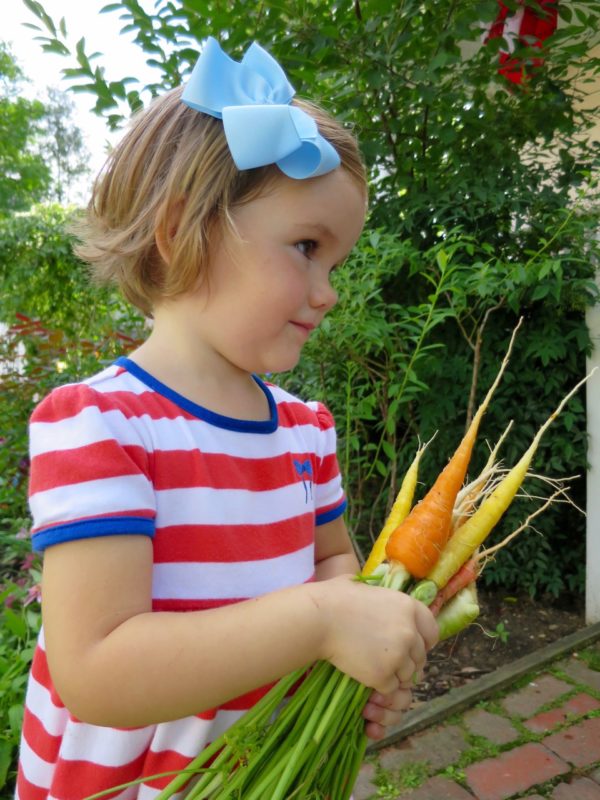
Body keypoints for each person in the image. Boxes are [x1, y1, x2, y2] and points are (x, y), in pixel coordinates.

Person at [16, 37, 438, 800]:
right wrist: (319, 620)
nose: (328, 292)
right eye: (307, 248)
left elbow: (333, 562)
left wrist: (356, 634)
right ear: (184, 230)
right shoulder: (103, 425)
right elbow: (97, 675)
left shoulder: (306, 433)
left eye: (335, 264)